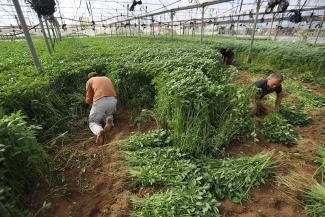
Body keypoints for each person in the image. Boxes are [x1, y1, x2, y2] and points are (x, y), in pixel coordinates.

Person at [85, 72, 117, 145]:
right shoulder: (106, 78)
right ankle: (109, 121)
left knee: (93, 122)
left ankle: (99, 131)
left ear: (90, 77)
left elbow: (88, 99)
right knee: (109, 113)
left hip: (100, 100)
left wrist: (88, 105)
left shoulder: (90, 81)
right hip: (113, 100)